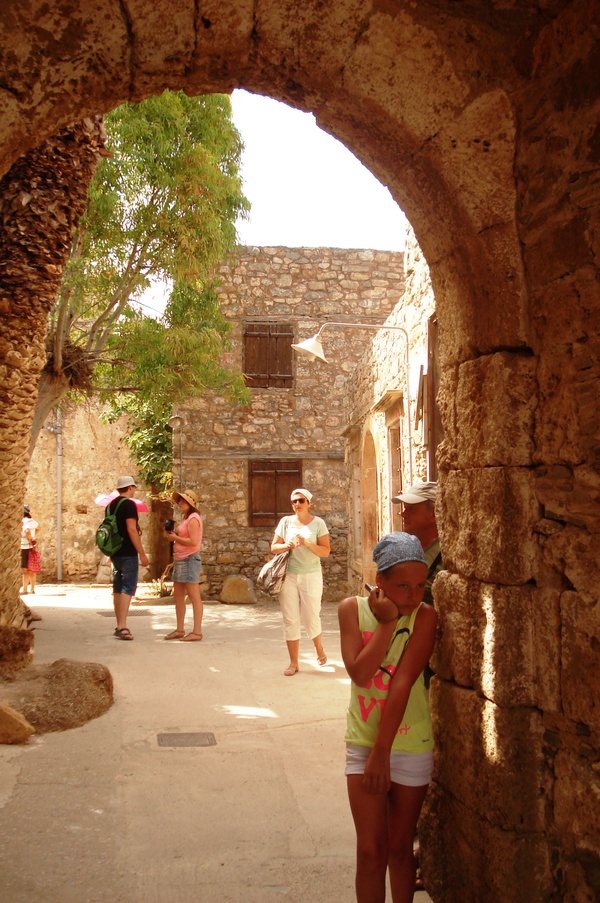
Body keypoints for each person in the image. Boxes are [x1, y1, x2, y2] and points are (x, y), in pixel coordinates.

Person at [338, 531, 438, 903]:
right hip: (363, 741)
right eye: (402, 586)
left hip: (410, 745)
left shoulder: (426, 617)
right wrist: (386, 624)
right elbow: (361, 674)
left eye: (420, 586)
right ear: (379, 581)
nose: (414, 596)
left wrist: (384, 751)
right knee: (369, 851)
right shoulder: (351, 610)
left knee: (399, 849)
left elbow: (402, 684)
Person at [270, 488, 331, 675]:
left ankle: (318, 647)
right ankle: (294, 663)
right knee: (290, 619)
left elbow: (326, 551)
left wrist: (307, 543)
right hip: (288, 575)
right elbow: (273, 547)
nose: (297, 504)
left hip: (311, 575)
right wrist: (287, 545)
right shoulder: (285, 522)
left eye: (301, 501)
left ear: (308, 503)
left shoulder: (318, 523)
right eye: (294, 501)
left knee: (310, 616)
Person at [109, 475, 149, 641]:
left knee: (118, 587)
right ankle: (122, 626)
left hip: (115, 551)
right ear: (130, 487)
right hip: (127, 552)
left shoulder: (111, 506)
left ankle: (118, 623)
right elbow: (131, 530)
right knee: (128, 587)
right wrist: (142, 553)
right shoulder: (129, 505)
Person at [392, 482, 444, 605]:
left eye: (411, 509)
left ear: (433, 514)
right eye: (405, 508)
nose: (403, 514)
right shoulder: (408, 549)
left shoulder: (446, 554)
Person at [164, 489, 204, 642]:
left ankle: (197, 632)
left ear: (190, 504)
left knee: (194, 597)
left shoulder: (193, 518)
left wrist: (175, 537)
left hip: (189, 559)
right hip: (181, 559)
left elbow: (194, 542)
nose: (179, 503)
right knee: (179, 596)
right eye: (179, 500)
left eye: (182, 501)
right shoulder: (186, 518)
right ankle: (180, 629)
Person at [20, 504, 40, 595]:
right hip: (32, 548)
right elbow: (38, 527)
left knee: (25, 570)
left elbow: (27, 531)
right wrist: (34, 536)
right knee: (32, 569)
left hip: (24, 547)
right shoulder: (32, 521)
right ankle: (32, 589)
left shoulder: (23, 521)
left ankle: (24, 589)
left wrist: (29, 538)